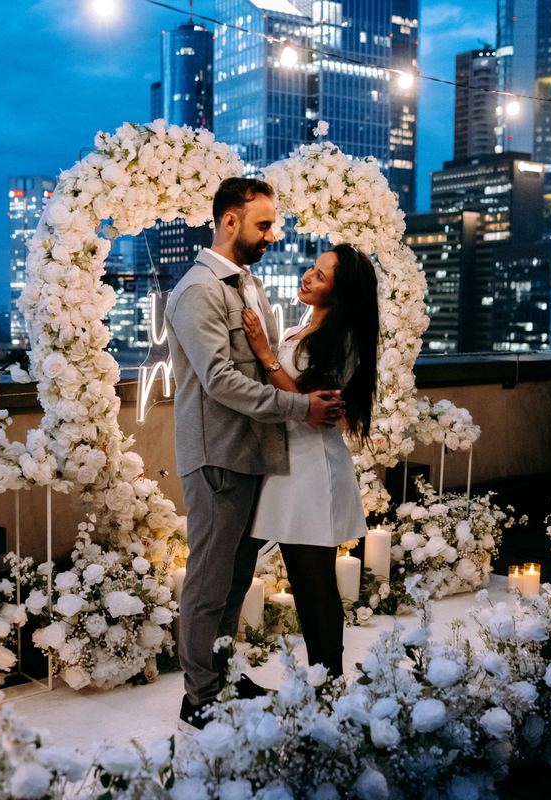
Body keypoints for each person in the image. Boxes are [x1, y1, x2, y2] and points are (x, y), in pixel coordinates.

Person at [164, 177, 345, 729]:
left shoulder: (246, 284)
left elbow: (265, 365)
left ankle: (221, 676)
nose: (273, 235)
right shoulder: (199, 290)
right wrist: (300, 409)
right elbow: (220, 380)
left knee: (234, 579)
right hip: (218, 456)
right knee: (209, 581)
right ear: (229, 221)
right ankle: (199, 697)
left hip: (250, 456)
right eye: (264, 224)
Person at [240, 242, 380, 679]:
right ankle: (324, 681)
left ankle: (329, 681)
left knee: (314, 584)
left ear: (340, 292)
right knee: (304, 582)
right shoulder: (302, 330)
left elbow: (311, 405)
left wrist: (265, 354)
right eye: (312, 268)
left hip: (314, 468)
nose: (307, 276)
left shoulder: (343, 339)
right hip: (289, 465)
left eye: (320, 276)